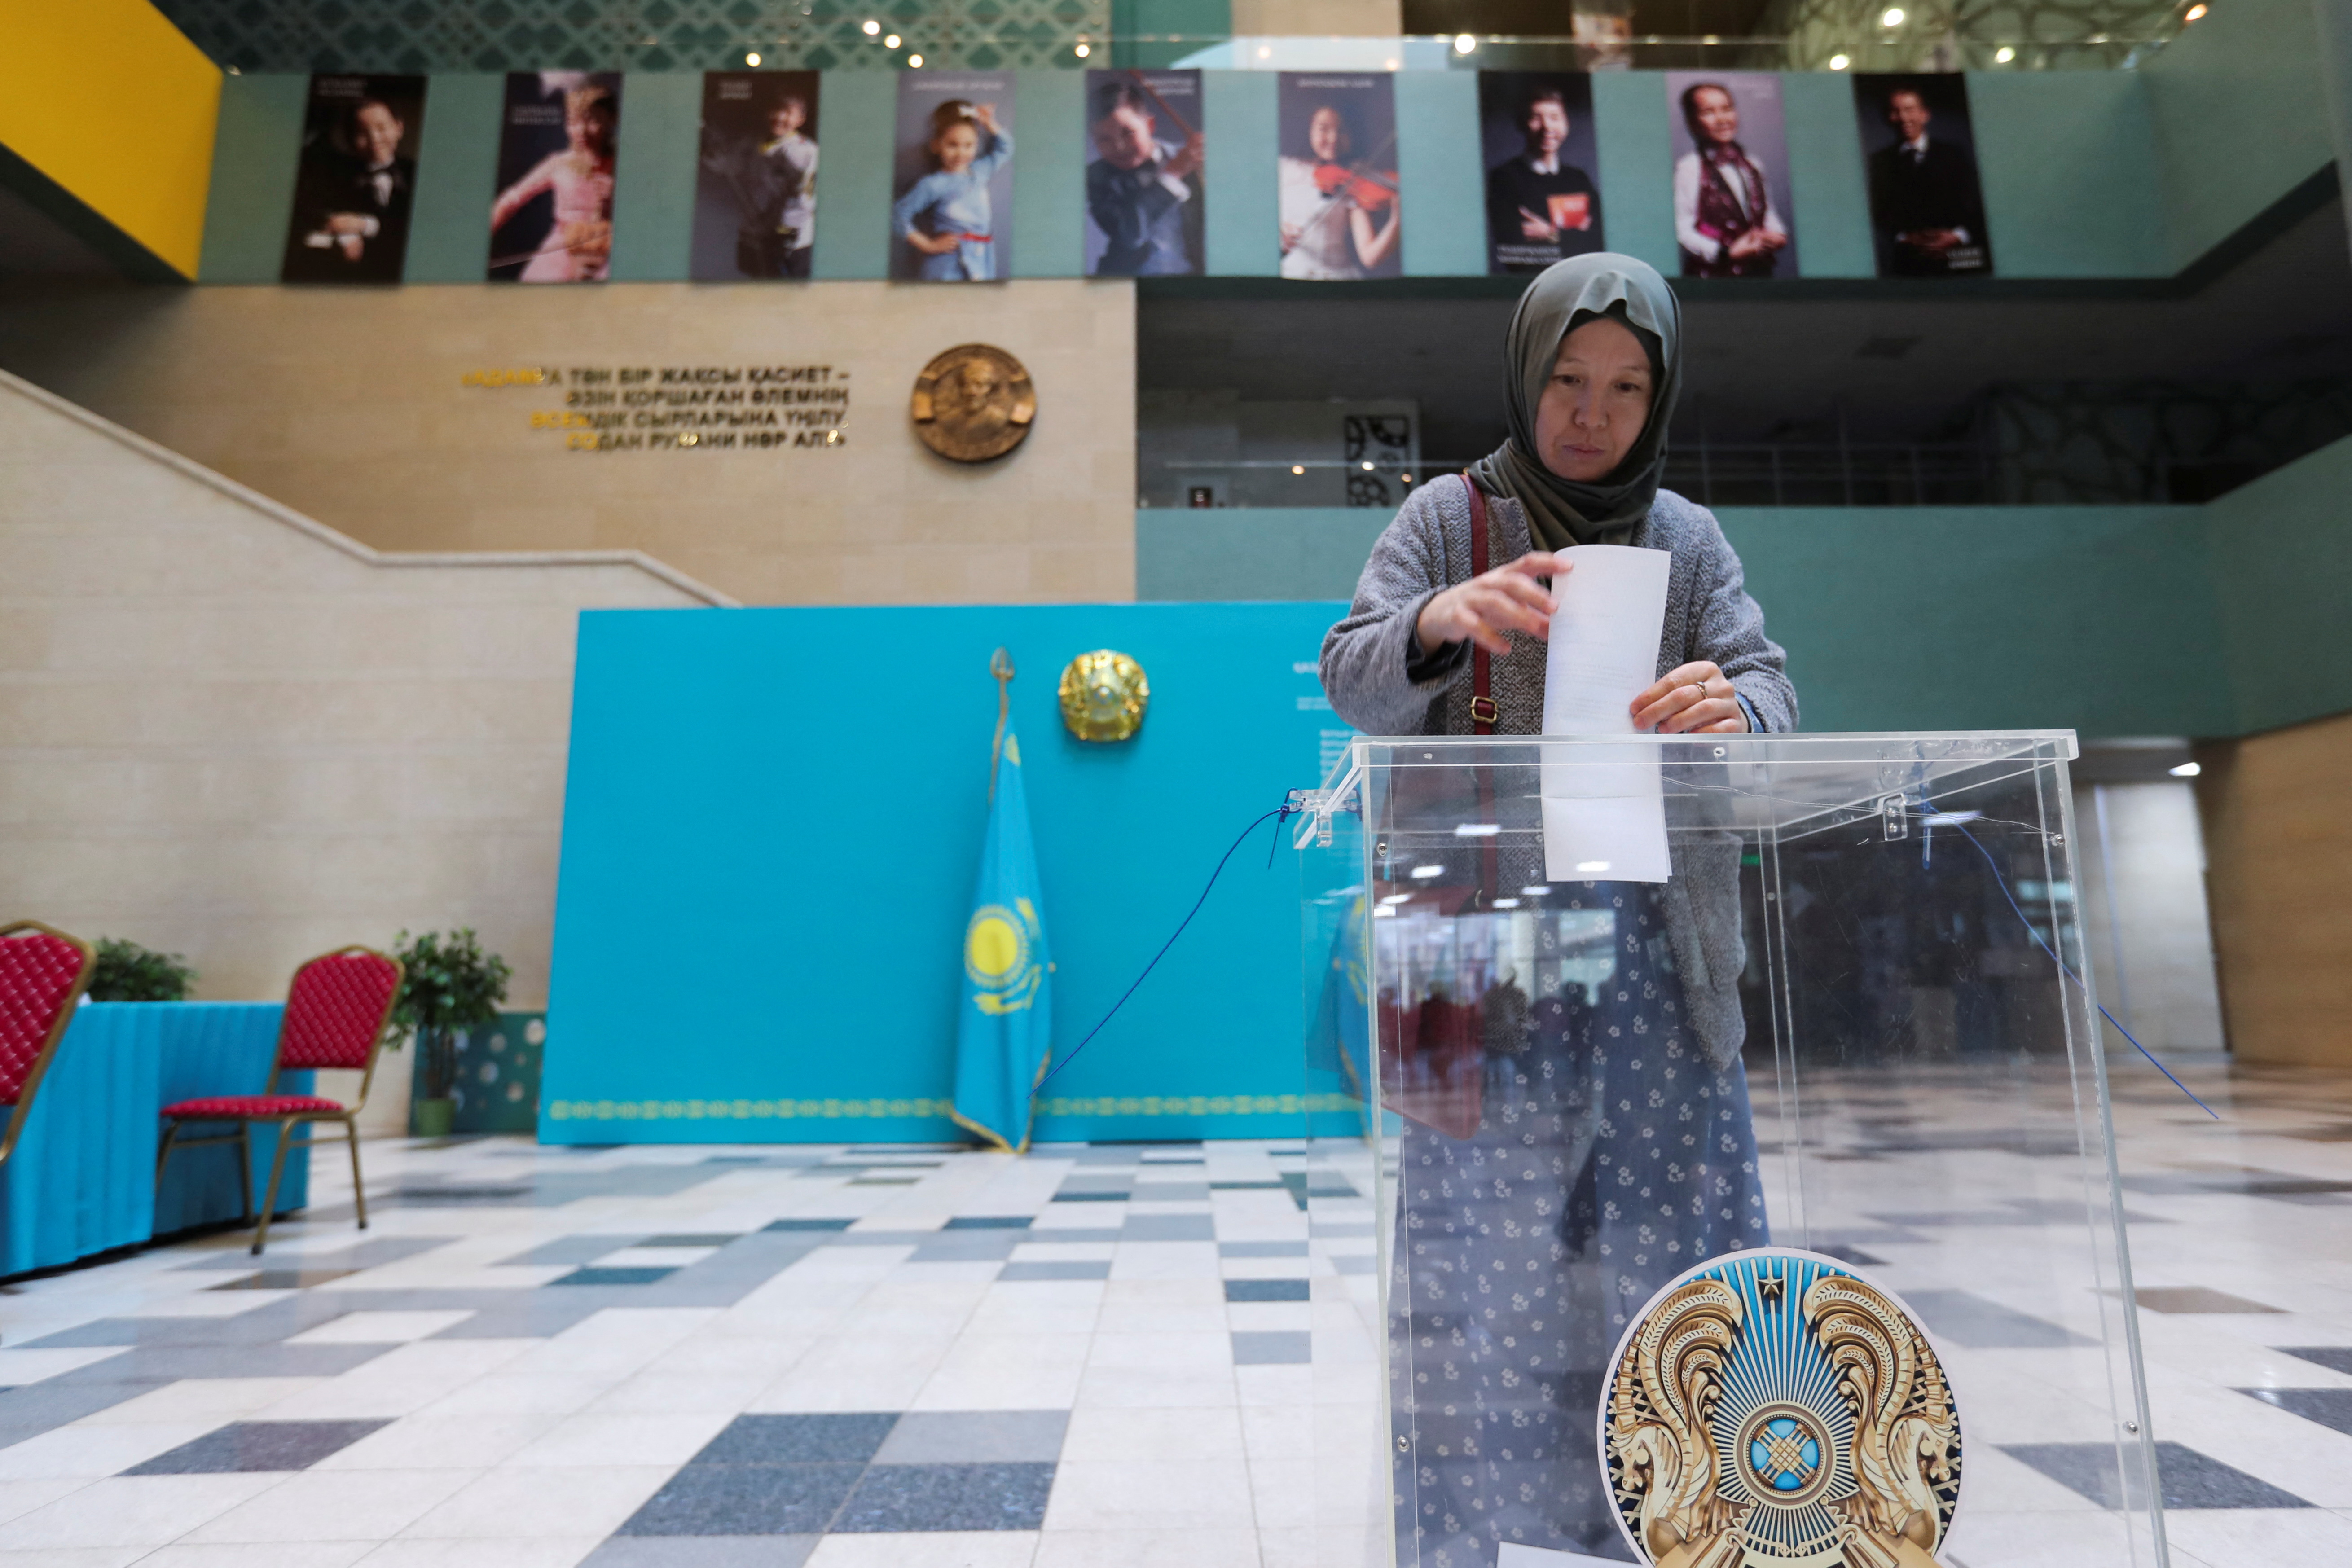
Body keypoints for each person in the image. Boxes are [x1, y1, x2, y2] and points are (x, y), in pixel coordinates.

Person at [1319, 254, 1794, 1565]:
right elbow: (1352, 676)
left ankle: (1683, 1533)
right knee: (1486, 1267)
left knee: (1672, 1256)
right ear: (1527, 375)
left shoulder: (1686, 539)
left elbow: (1768, 684)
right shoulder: (1447, 516)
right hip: (1484, 967)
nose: (1593, 412)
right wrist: (1437, 621)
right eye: (1569, 380)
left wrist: (1736, 707)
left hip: (1655, 961)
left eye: (1627, 388)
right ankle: (1479, 1546)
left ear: (1660, 396)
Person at [490, 83, 618, 283]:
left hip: (607, 252)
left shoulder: (623, 165)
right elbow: (511, 200)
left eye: (592, 121)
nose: (581, 131)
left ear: (612, 119)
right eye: (573, 122)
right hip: (561, 251)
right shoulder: (559, 164)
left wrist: (619, 197)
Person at [283, 94, 417, 284]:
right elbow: (312, 213)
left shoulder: (417, 173)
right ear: (350, 139)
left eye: (382, 128)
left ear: (399, 128)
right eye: (362, 133)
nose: (374, 139)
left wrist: (366, 225)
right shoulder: (336, 176)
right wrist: (345, 235)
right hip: (355, 275)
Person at [1866, 85, 1990, 276]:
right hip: (1908, 262)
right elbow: (1878, 212)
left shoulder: (1955, 155)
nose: (1903, 118)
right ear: (1888, 118)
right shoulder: (1879, 162)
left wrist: (1958, 236)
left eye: (1909, 110)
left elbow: (1979, 203)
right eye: (1895, 111)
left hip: (1958, 258)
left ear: (1925, 115)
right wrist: (1904, 238)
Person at [1085, 79, 1202, 277]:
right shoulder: (1096, 177)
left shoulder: (1192, 160)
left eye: (1128, 133)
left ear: (1150, 125)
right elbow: (1129, 235)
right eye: (1104, 139)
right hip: (1128, 282)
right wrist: (1173, 175)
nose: (1119, 147)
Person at [1673, 82, 1789, 279]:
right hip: (1713, 279)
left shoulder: (1752, 164)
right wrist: (1725, 253)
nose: (1722, 119)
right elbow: (1682, 229)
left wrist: (1776, 235)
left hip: (1758, 274)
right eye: (1709, 112)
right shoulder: (1690, 168)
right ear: (1692, 122)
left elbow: (1766, 211)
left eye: (1727, 109)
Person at [1484, 84, 1602, 273]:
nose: (1547, 127)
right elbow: (1514, 250)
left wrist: (1550, 233)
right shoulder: (1504, 178)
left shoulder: (1579, 179)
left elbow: (1597, 242)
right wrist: (1574, 234)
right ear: (1522, 124)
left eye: (1555, 118)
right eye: (1536, 118)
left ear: (1566, 124)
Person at [892, 99, 1013, 282]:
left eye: (968, 145)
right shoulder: (933, 184)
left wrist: (990, 123)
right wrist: (928, 245)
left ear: (977, 145)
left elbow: (1006, 148)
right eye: (952, 145)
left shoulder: (981, 171)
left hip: (982, 258)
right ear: (936, 145)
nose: (961, 153)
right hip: (948, 264)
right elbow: (897, 216)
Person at [701, 90, 818, 278]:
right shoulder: (752, 143)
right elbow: (726, 164)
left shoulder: (804, 153)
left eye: (788, 113)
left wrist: (781, 231)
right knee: (757, 286)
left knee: (787, 291)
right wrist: (709, 148)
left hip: (789, 243)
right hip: (753, 234)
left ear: (801, 120)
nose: (780, 117)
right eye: (776, 110)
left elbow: (804, 201)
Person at [1279, 100, 1400, 281]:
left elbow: (1370, 258)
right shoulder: (1283, 169)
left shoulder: (1351, 184)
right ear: (1308, 130)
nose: (1334, 138)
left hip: (1338, 277)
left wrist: (1397, 220)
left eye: (1342, 130)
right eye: (1324, 129)